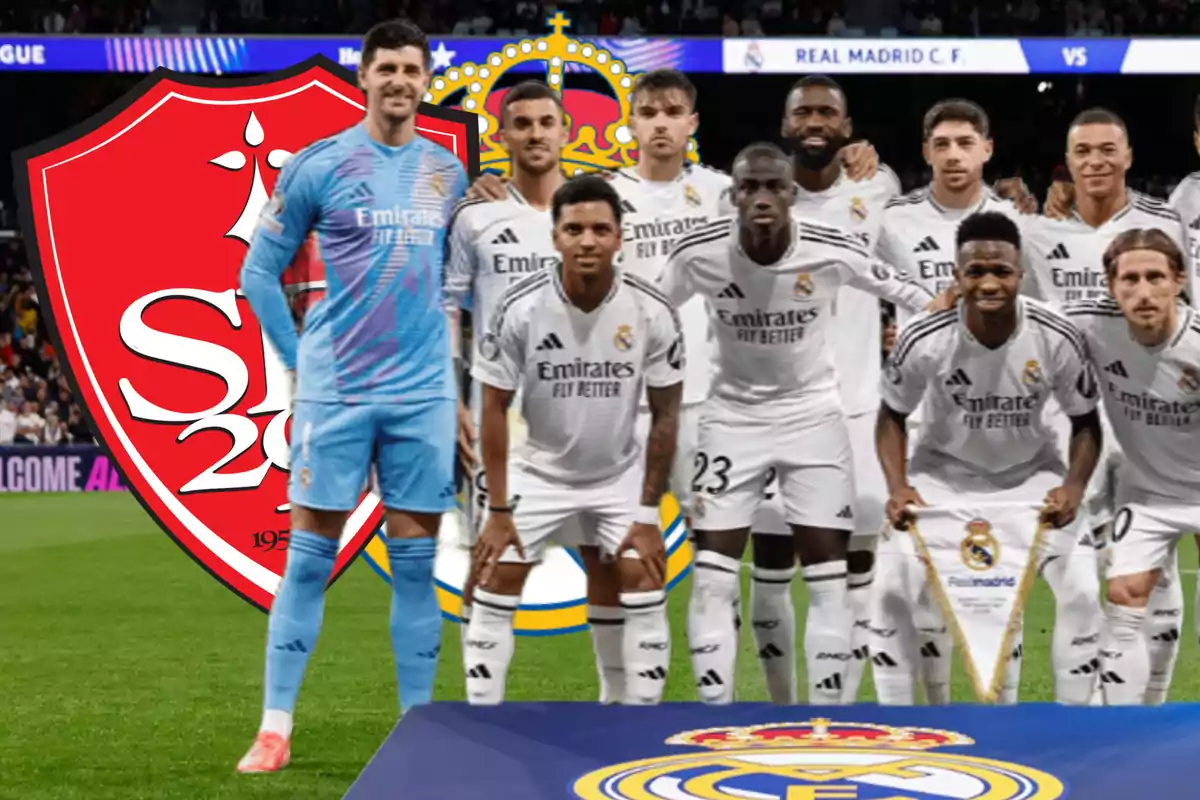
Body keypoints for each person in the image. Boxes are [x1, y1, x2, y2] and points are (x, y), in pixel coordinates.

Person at [234, 18, 468, 773]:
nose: (400, 80)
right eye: (387, 67)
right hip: (337, 394)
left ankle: (417, 726)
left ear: (425, 81)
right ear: (363, 75)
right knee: (306, 562)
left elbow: (460, 282)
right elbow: (257, 273)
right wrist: (301, 360)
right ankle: (275, 727)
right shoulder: (320, 164)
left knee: (413, 565)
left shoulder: (448, 174)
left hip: (421, 393)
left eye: (412, 69)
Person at [657, 142, 935, 705]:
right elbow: (647, 309)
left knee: (828, 579)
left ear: (792, 195)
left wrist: (921, 340)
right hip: (731, 419)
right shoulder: (698, 253)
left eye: (773, 187)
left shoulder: (832, 248)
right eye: (750, 188)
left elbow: (915, 295)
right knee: (712, 576)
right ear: (732, 196)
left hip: (813, 418)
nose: (761, 198)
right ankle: (718, 720)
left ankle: (823, 724)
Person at [464, 175, 683, 706]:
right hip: (536, 471)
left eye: (600, 230)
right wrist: (497, 507)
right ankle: (483, 722)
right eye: (575, 229)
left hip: (616, 472)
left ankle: (630, 713)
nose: (588, 240)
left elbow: (666, 411)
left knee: (641, 575)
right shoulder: (519, 307)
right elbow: (492, 408)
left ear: (619, 237)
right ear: (555, 236)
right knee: (494, 577)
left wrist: (648, 514)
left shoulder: (652, 310)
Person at [874, 211, 1103, 705]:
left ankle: (1075, 728)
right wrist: (897, 486)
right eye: (975, 271)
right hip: (941, 477)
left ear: (1021, 274)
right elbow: (890, 416)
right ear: (956, 277)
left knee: (1084, 591)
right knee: (890, 590)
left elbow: (1086, 423)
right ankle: (904, 726)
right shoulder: (924, 335)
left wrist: (1074, 488)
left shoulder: (1055, 334)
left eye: (1002, 270)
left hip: (1032, 477)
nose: (989, 282)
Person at [746, 75, 903, 705]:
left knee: (852, 574)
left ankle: (832, 716)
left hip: (858, 410)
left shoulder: (879, 189)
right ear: (785, 126)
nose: (815, 121)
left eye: (827, 113)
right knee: (771, 573)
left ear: (847, 126)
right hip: (773, 411)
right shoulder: (752, 198)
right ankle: (784, 711)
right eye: (803, 112)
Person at [1029, 108, 1191, 704]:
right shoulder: (1041, 237)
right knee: (1092, 586)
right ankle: (1095, 727)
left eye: (1107, 150)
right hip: (1093, 442)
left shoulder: (1164, 223)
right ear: (1067, 163)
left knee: (1156, 582)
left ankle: (1148, 714)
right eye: (1083, 152)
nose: (1095, 161)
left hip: (1165, 443)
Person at [1062, 229, 1200, 705]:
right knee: (1123, 595)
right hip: (1148, 493)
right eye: (1131, 279)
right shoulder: (1088, 323)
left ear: (1179, 279)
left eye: (1156, 277)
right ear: (1111, 284)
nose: (1143, 292)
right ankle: (1124, 726)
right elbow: (1029, 322)